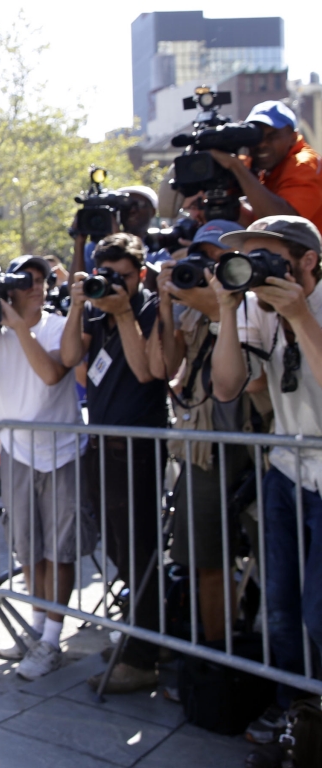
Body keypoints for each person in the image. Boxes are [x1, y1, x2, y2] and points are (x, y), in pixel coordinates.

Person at [210, 215, 322, 752]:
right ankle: (294, 712)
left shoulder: (305, 308)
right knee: (280, 609)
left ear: (305, 262)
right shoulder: (259, 311)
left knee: (319, 612)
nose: (252, 272)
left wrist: (301, 315)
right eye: (244, 260)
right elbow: (228, 386)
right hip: (285, 472)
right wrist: (228, 313)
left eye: (265, 258)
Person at [0, 256, 92, 679]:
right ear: (8, 291)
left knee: (60, 549)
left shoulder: (55, 326)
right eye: (28, 281)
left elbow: (52, 374)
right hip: (16, 453)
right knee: (30, 550)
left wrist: (19, 328)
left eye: (42, 280)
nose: (38, 286)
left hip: (63, 450)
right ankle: (36, 630)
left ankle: (52, 637)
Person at [61, 232, 168, 693]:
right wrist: (76, 304)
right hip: (103, 447)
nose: (113, 284)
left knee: (141, 551)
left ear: (140, 274)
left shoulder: (149, 307)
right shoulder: (95, 309)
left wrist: (123, 311)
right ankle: (139, 636)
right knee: (118, 548)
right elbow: (69, 358)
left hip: (140, 451)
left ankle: (146, 657)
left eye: (122, 276)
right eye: (106, 275)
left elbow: (148, 372)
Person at [149, 219, 258, 646]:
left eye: (214, 259)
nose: (204, 268)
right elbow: (167, 367)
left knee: (270, 563)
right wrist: (165, 306)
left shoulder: (256, 306)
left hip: (253, 446)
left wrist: (218, 306)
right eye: (198, 257)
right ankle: (216, 657)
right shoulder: (189, 308)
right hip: (203, 448)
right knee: (207, 559)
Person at [208, 101, 322, 233]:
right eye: (256, 137)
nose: (262, 144)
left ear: (293, 137)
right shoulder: (264, 164)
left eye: (272, 136)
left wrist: (236, 167)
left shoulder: (304, 163)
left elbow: (284, 225)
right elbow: (258, 223)